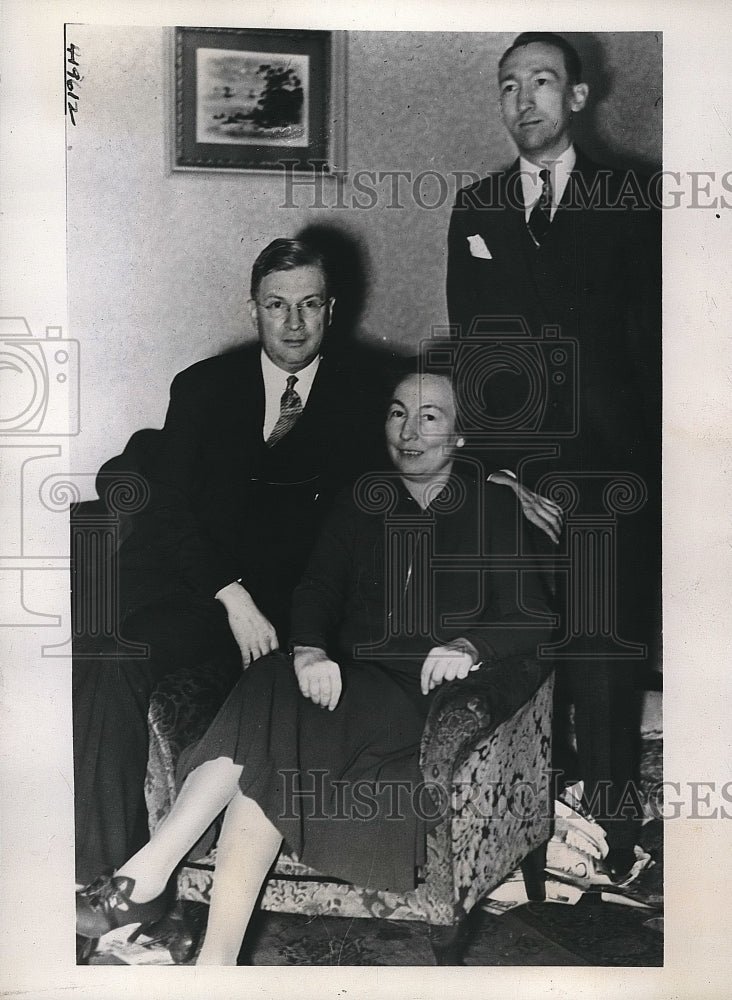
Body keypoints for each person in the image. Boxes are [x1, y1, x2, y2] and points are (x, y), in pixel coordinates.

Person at [75, 370, 555, 965]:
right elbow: (317, 591)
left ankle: (145, 876)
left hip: (418, 703)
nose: (408, 430)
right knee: (270, 733)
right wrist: (310, 648)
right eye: (397, 413)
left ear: (460, 437)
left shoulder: (492, 510)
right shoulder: (363, 500)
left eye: (430, 417)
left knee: (269, 711)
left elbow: (536, 618)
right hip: (346, 687)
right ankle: (215, 965)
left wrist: (470, 646)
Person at [72, 238, 387, 885]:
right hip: (210, 601)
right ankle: (109, 890)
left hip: (305, 617)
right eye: (277, 305)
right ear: (253, 310)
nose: (294, 324)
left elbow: (425, 460)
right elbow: (170, 510)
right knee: (109, 654)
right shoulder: (204, 389)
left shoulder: (370, 393)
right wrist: (230, 593)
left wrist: (496, 482)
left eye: (309, 305)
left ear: (332, 309)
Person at [446, 32, 661, 874]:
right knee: (521, 642)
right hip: (517, 470)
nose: (522, 99)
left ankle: (610, 833)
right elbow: (474, 348)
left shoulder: (633, 197)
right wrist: (501, 472)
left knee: (604, 648)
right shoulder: (477, 205)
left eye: (541, 81)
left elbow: (656, 348)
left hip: (614, 469)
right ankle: (525, 826)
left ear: (576, 96)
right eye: (508, 85)